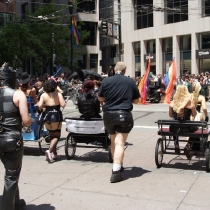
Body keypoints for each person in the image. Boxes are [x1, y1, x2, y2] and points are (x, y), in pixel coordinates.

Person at [98, 62, 140, 183]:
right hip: (124, 113)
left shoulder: (106, 81)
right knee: (120, 143)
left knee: (113, 141)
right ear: (125, 71)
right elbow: (136, 100)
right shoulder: (130, 81)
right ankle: (116, 171)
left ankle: (118, 163)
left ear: (115, 69)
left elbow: (100, 98)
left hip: (109, 114)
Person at [0, 63, 32, 210]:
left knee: (11, 172)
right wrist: (29, 119)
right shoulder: (17, 94)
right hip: (12, 140)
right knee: (11, 177)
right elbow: (26, 121)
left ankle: (17, 203)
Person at [37, 79, 66, 163]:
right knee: (57, 136)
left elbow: (39, 105)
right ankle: (49, 151)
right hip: (56, 115)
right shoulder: (58, 94)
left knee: (51, 134)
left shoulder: (43, 95)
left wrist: (45, 107)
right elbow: (63, 105)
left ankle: (54, 153)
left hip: (46, 115)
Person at [169, 85, 197, 159]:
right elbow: (194, 115)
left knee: (174, 123)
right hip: (187, 127)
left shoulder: (172, 102)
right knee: (196, 129)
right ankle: (188, 145)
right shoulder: (190, 102)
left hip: (174, 128)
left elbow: (170, 115)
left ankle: (176, 143)